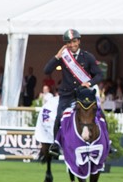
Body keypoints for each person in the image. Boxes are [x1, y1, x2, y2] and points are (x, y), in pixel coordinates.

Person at [44, 29, 103, 158]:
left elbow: (99, 75)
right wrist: (57, 57)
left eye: (74, 41)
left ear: (79, 41)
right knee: (59, 117)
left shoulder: (88, 57)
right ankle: (55, 145)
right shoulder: (64, 57)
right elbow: (46, 70)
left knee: (100, 114)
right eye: (69, 42)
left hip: (83, 94)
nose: (72, 45)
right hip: (67, 94)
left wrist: (90, 83)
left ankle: (107, 142)